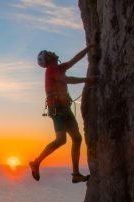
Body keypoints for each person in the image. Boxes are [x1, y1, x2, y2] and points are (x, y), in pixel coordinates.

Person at [29, 45, 97, 183]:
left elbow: (74, 60)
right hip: (58, 110)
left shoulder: (58, 68)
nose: (52, 52)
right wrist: (88, 80)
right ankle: (36, 162)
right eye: (49, 53)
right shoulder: (51, 70)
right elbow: (68, 80)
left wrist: (89, 47)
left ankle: (76, 174)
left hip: (64, 108)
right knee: (61, 140)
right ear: (48, 59)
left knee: (76, 139)